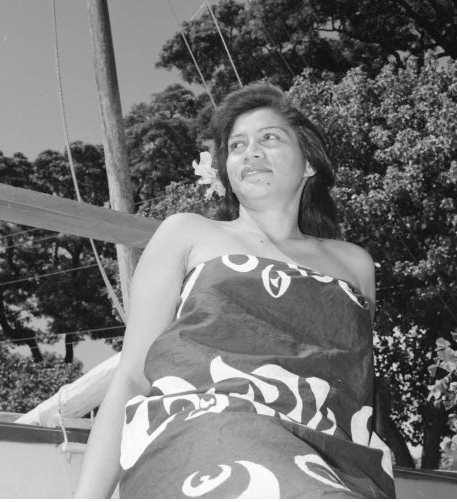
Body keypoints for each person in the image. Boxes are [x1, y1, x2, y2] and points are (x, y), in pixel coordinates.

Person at [74, 83, 395, 499]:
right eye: (237, 145)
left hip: (336, 455)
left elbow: (355, 384)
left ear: (309, 164)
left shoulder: (353, 264)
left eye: (270, 138)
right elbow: (133, 376)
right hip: (209, 431)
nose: (251, 152)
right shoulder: (188, 233)